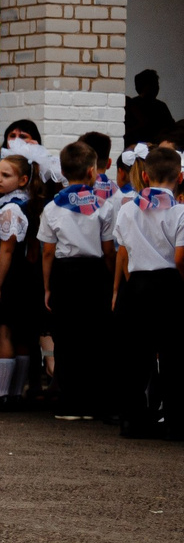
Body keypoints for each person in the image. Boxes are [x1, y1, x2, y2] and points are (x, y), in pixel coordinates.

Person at [38, 142, 114, 419]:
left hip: (64, 273)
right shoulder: (103, 207)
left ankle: (69, 403)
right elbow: (108, 250)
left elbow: (47, 251)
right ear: (93, 171)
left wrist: (47, 286)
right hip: (95, 273)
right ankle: (92, 402)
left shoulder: (51, 208)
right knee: (94, 336)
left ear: (62, 170)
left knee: (67, 338)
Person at [113, 147, 183, 438]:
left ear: (143, 175)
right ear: (180, 176)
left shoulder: (128, 208)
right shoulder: (179, 211)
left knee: (134, 355)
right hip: (169, 283)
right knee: (173, 354)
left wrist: (129, 285)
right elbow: (180, 258)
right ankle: (176, 422)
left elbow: (125, 251)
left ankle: (132, 419)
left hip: (137, 283)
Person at [0, 153, 38, 405]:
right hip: (24, 276)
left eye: (6, 175)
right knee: (20, 335)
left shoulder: (11, 209)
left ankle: (1, 393)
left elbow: (6, 250)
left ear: (23, 180)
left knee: (3, 332)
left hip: (9, 277)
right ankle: (13, 392)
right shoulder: (25, 203)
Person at [127, 71, 175, 151]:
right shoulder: (160, 106)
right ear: (146, 86)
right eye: (155, 84)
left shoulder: (131, 104)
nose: (157, 87)